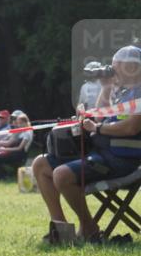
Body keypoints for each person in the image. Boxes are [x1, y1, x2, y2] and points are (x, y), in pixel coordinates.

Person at [32, 45, 141, 243]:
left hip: (122, 160)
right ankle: (61, 231)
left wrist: (97, 129)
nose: (113, 70)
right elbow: (103, 113)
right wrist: (106, 87)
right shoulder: (124, 93)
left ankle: (89, 228)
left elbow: (131, 128)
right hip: (101, 152)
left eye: (117, 66)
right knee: (40, 164)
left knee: (62, 174)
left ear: (131, 67)